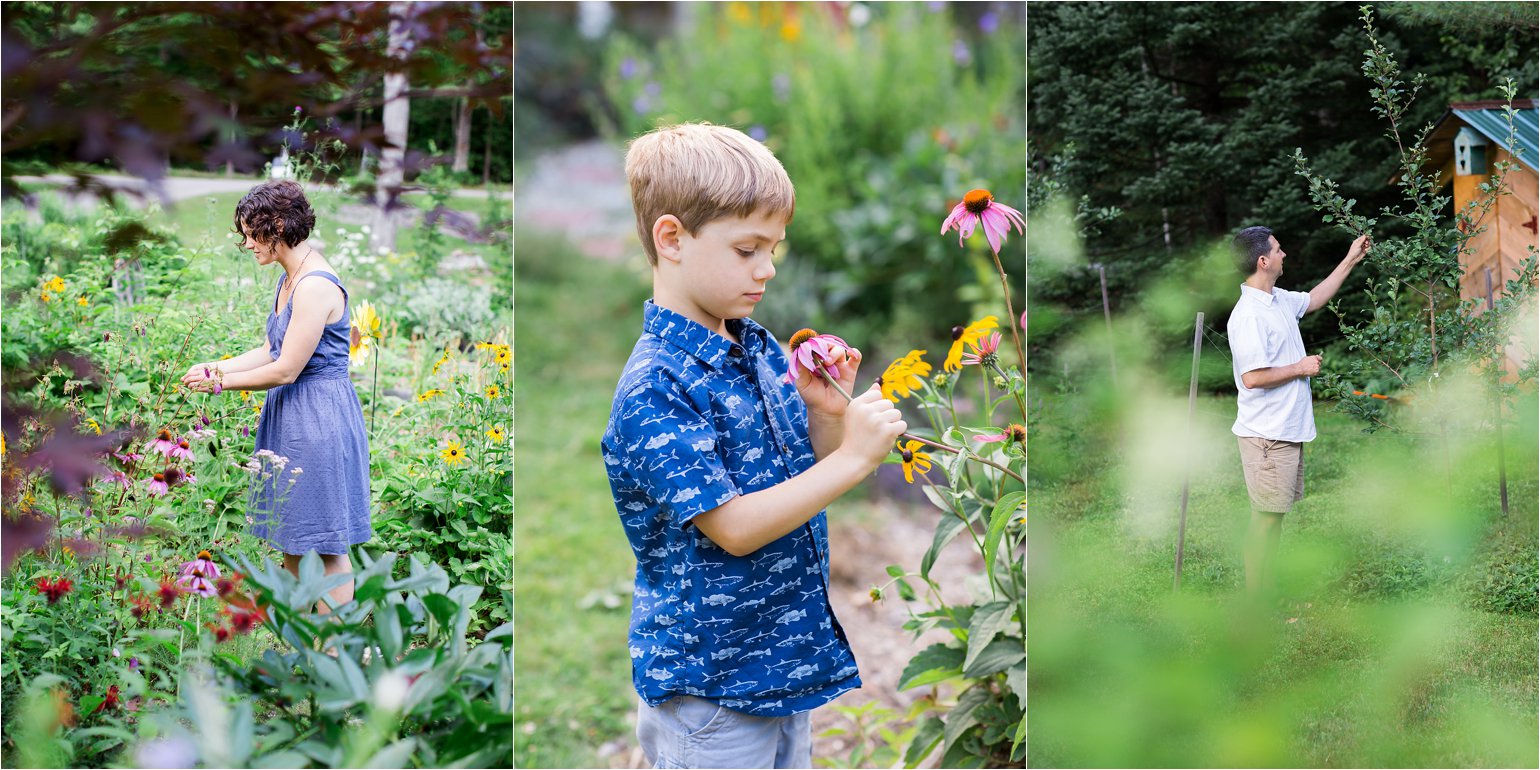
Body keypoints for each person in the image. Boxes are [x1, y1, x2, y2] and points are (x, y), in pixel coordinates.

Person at [602, 123, 906, 769]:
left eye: (774, 248)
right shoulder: (656, 387)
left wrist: (827, 420)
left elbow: (800, 478)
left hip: (780, 663)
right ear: (672, 238)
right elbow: (735, 528)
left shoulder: (758, 346)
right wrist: (855, 459)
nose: (767, 268)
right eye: (748, 249)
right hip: (711, 689)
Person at [181, 180, 371, 612]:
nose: (246, 243)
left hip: (319, 419)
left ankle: (333, 649)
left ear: (278, 226)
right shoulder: (291, 278)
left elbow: (286, 369)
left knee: (326, 545)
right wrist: (219, 366)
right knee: (292, 533)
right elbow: (273, 349)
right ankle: (296, 641)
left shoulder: (315, 285)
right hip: (294, 417)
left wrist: (220, 384)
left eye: (252, 233)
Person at [1227, 225, 1370, 598]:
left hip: (1283, 432)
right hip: (1266, 436)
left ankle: (1263, 594)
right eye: (1278, 249)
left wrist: (1351, 258)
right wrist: (1300, 367)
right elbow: (1253, 377)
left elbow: (1314, 299)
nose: (1284, 254)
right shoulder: (1248, 316)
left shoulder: (1276, 300)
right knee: (1265, 519)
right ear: (1263, 261)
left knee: (1274, 517)